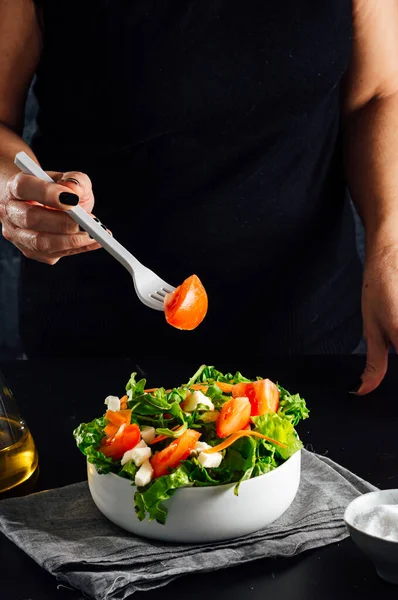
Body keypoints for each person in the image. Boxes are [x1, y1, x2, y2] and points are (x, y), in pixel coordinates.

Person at [0, 0, 397, 394]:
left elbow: (379, 93)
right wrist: (14, 191)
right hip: (93, 340)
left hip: (303, 331)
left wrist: (389, 242)